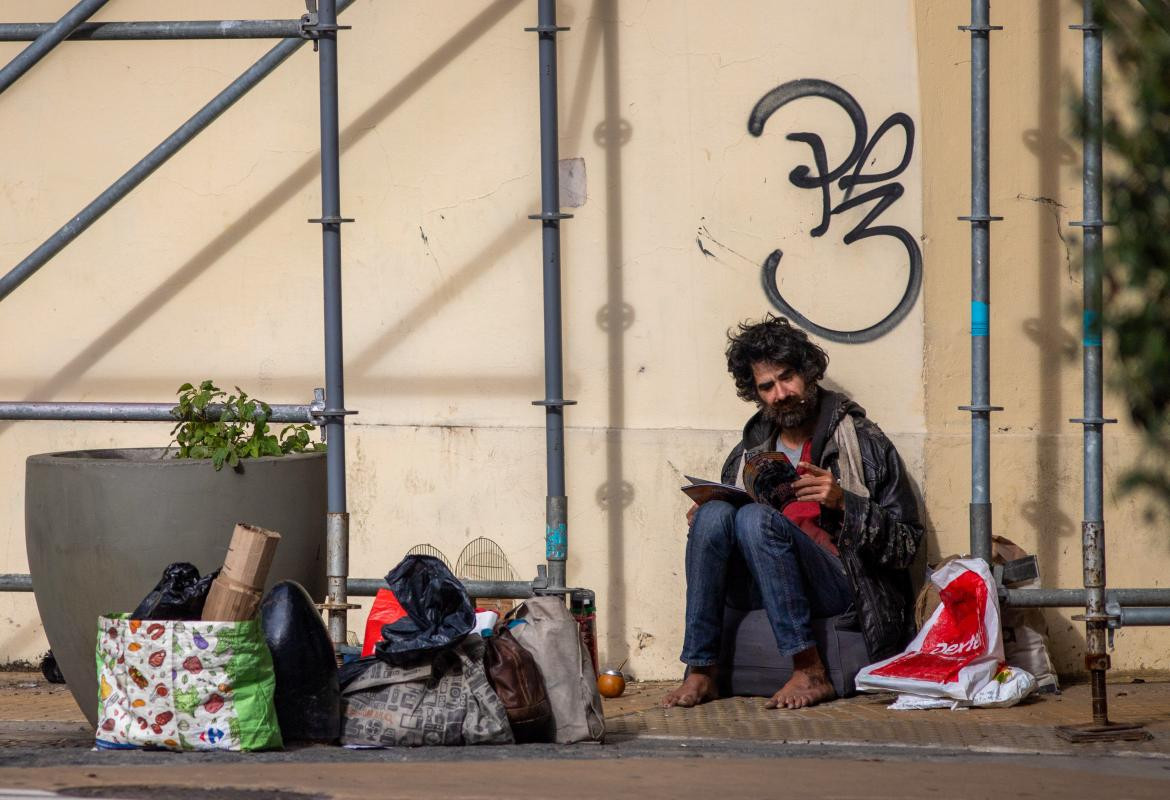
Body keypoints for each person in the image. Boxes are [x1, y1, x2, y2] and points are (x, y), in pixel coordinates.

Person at [663, 314, 923, 710]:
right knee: (715, 517)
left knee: (755, 519)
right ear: (756, 393)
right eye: (767, 386)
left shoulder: (863, 442)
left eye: (787, 378)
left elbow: (906, 547)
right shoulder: (748, 452)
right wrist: (706, 519)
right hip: (761, 579)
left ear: (809, 372)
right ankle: (701, 669)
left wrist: (844, 504)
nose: (780, 393)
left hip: (838, 582)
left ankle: (810, 670)